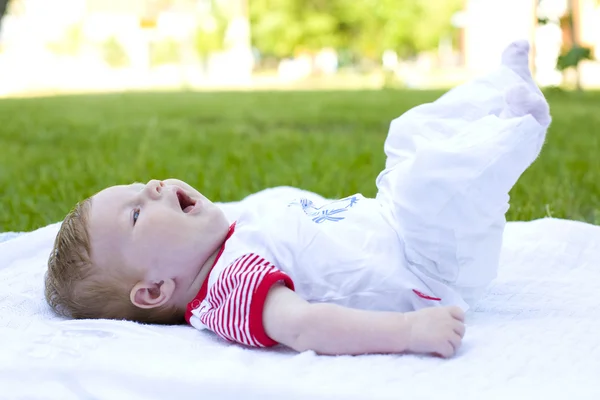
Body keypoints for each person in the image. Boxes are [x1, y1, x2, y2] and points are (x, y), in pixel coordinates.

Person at [45, 41, 551, 358]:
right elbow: (305, 326)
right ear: (154, 291)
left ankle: (503, 91)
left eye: (140, 184)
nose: (153, 187)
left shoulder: (228, 243)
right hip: (422, 266)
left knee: (408, 135)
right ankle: (522, 128)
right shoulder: (227, 289)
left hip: (393, 219)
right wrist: (409, 331)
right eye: (136, 212)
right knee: (432, 182)